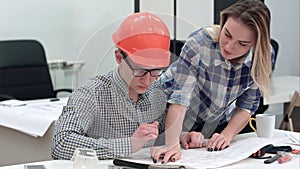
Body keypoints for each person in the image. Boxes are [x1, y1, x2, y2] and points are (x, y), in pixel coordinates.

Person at [51, 11, 205, 160]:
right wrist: (129, 144)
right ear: (119, 57)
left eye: (155, 70)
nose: (147, 80)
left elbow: (158, 134)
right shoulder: (91, 93)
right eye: (139, 70)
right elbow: (61, 143)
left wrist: (182, 136)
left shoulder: (157, 91)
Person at [151, 0, 275, 163]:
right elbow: (179, 99)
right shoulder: (199, 43)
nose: (229, 46)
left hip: (205, 123)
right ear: (223, 23)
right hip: (162, 114)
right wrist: (172, 143)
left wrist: (226, 135)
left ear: (257, 44)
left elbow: (247, 105)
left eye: (242, 43)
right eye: (227, 34)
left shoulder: (262, 57)